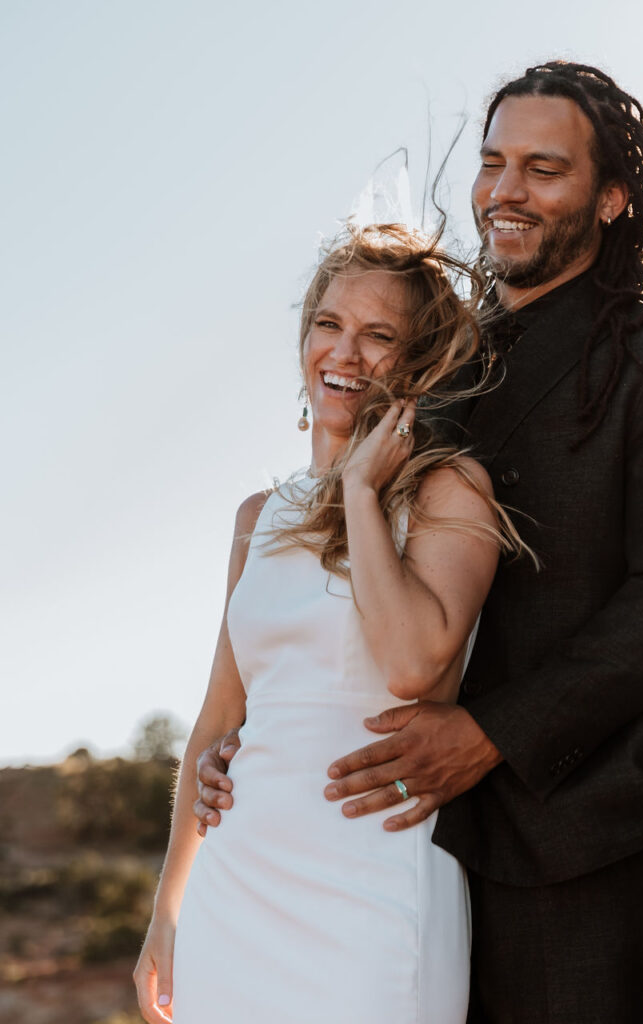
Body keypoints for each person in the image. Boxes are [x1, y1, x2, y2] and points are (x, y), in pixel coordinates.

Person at [195, 62, 643, 1023]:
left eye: (543, 168)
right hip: (389, 850)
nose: (503, 191)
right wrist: (259, 735)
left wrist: (492, 735)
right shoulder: (432, 370)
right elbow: (327, 548)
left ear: (612, 197)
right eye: (493, 163)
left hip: (574, 852)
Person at [133, 223, 529, 1024]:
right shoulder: (257, 516)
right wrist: (167, 910)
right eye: (328, 324)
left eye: (378, 336)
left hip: (373, 888)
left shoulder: (451, 492)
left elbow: (414, 668)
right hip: (236, 888)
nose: (343, 354)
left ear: (419, 359)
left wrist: (356, 493)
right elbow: (218, 717)